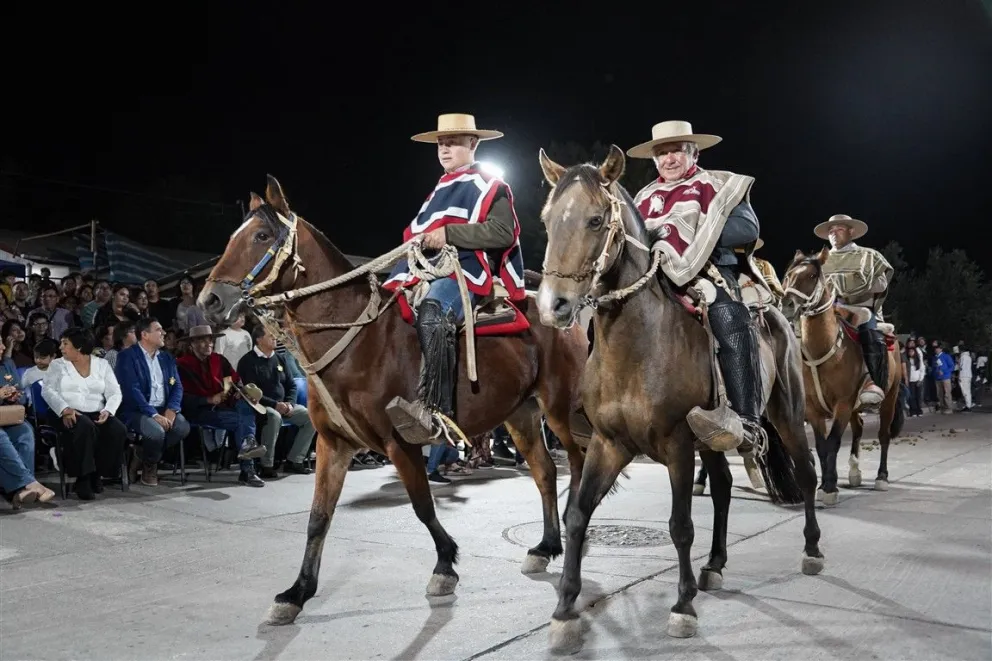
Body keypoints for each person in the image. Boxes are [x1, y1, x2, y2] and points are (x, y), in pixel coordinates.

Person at [382, 113, 526, 445]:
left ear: (473, 144)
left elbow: (504, 232)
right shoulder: (439, 189)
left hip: (464, 271)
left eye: (452, 142)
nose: (444, 149)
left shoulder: (491, 185)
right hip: (423, 269)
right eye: (440, 144)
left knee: (433, 313)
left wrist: (448, 233)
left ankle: (437, 413)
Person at [627, 120, 763, 452]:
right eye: (661, 153)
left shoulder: (718, 184)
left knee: (727, 316)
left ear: (693, 152)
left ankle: (747, 422)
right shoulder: (643, 196)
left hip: (708, 273)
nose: (668, 159)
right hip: (651, 278)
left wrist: (695, 241)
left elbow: (747, 229)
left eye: (676, 151)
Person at [813, 214, 894, 406]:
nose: (833, 234)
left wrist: (847, 287)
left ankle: (871, 380)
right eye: (830, 231)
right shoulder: (820, 260)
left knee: (866, 321)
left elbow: (881, 284)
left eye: (839, 229)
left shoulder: (869, 255)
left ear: (851, 231)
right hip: (827, 309)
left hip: (858, 307)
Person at [41, 327, 127, 500]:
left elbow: (115, 392)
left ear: (79, 347)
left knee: (118, 429)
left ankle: (98, 472)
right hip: (65, 412)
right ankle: (83, 478)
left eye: (65, 344)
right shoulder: (58, 365)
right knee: (85, 427)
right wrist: (64, 409)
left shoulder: (102, 364)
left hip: (96, 411)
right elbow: (48, 391)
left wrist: (108, 410)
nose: (61, 348)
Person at [115, 317, 191, 486]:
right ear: (145, 335)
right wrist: (154, 414)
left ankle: (142, 455)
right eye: (158, 330)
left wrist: (172, 409)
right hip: (136, 410)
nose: (163, 333)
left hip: (163, 408)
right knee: (156, 431)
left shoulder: (166, 358)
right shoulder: (127, 357)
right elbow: (131, 391)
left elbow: (176, 385)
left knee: (182, 427)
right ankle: (151, 465)